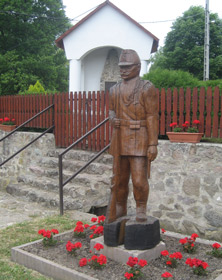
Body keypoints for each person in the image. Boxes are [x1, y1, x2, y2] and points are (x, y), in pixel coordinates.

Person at [106, 49, 158, 223]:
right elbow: (111, 110)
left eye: (127, 67)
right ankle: (119, 207)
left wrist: (153, 144)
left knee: (138, 179)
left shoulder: (146, 88)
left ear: (137, 67)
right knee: (119, 180)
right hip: (119, 139)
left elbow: (152, 115)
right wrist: (112, 119)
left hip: (139, 139)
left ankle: (141, 207)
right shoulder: (114, 89)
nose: (123, 70)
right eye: (121, 67)